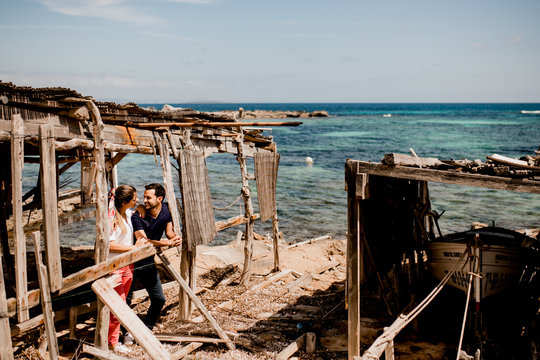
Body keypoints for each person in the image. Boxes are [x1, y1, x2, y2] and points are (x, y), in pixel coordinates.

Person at [127, 183, 182, 335]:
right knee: (126, 300)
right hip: (131, 262)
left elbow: (169, 231)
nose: (144, 200)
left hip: (147, 261)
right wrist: (166, 242)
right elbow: (143, 241)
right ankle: (125, 332)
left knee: (159, 299)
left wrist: (175, 238)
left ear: (159, 199)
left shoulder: (166, 209)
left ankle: (146, 329)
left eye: (148, 197)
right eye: (143, 197)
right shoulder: (138, 216)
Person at [107, 185, 146, 354]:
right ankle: (112, 343)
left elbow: (138, 210)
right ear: (124, 202)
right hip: (114, 267)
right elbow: (110, 245)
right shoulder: (111, 218)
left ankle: (113, 338)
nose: (137, 200)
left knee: (122, 304)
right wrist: (133, 248)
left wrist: (140, 207)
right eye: (134, 199)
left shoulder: (127, 214)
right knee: (118, 306)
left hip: (127, 266)